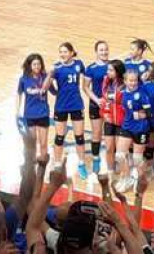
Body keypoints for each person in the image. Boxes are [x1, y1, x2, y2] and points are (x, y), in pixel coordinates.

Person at [45, 42, 86, 175]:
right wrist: (53, 87)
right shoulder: (56, 68)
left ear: (71, 52)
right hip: (61, 105)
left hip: (76, 104)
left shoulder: (79, 64)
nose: (62, 54)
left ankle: (81, 163)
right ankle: (57, 163)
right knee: (59, 137)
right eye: (60, 52)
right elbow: (46, 87)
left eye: (65, 51)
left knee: (79, 137)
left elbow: (85, 81)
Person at [83, 40, 110, 175]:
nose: (104, 52)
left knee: (112, 134)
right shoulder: (91, 68)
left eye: (106, 49)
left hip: (111, 105)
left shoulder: (113, 66)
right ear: (96, 52)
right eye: (101, 50)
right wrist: (97, 100)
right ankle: (96, 158)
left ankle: (112, 159)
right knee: (97, 133)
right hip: (96, 104)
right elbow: (85, 87)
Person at [18, 54, 50, 157]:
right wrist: (17, 111)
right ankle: (31, 166)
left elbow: (54, 92)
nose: (37, 66)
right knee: (32, 145)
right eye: (34, 64)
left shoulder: (45, 77)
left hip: (43, 113)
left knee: (43, 144)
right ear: (30, 65)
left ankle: (43, 165)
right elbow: (19, 94)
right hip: (30, 115)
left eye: (39, 64)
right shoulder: (24, 79)